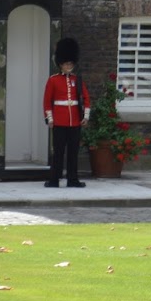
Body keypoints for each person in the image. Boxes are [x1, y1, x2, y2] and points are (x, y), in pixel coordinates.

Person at [42, 37, 91, 188]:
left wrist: (85, 116)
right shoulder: (53, 80)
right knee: (58, 152)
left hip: (75, 120)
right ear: (60, 64)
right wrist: (49, 118)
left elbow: (86, 98)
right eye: (65, 64)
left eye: (70, 63)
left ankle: (72, 179)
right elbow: (47, 101)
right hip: (59, 121)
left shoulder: (77, 80)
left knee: (73, 152)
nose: (68, 66)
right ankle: (54, 179)